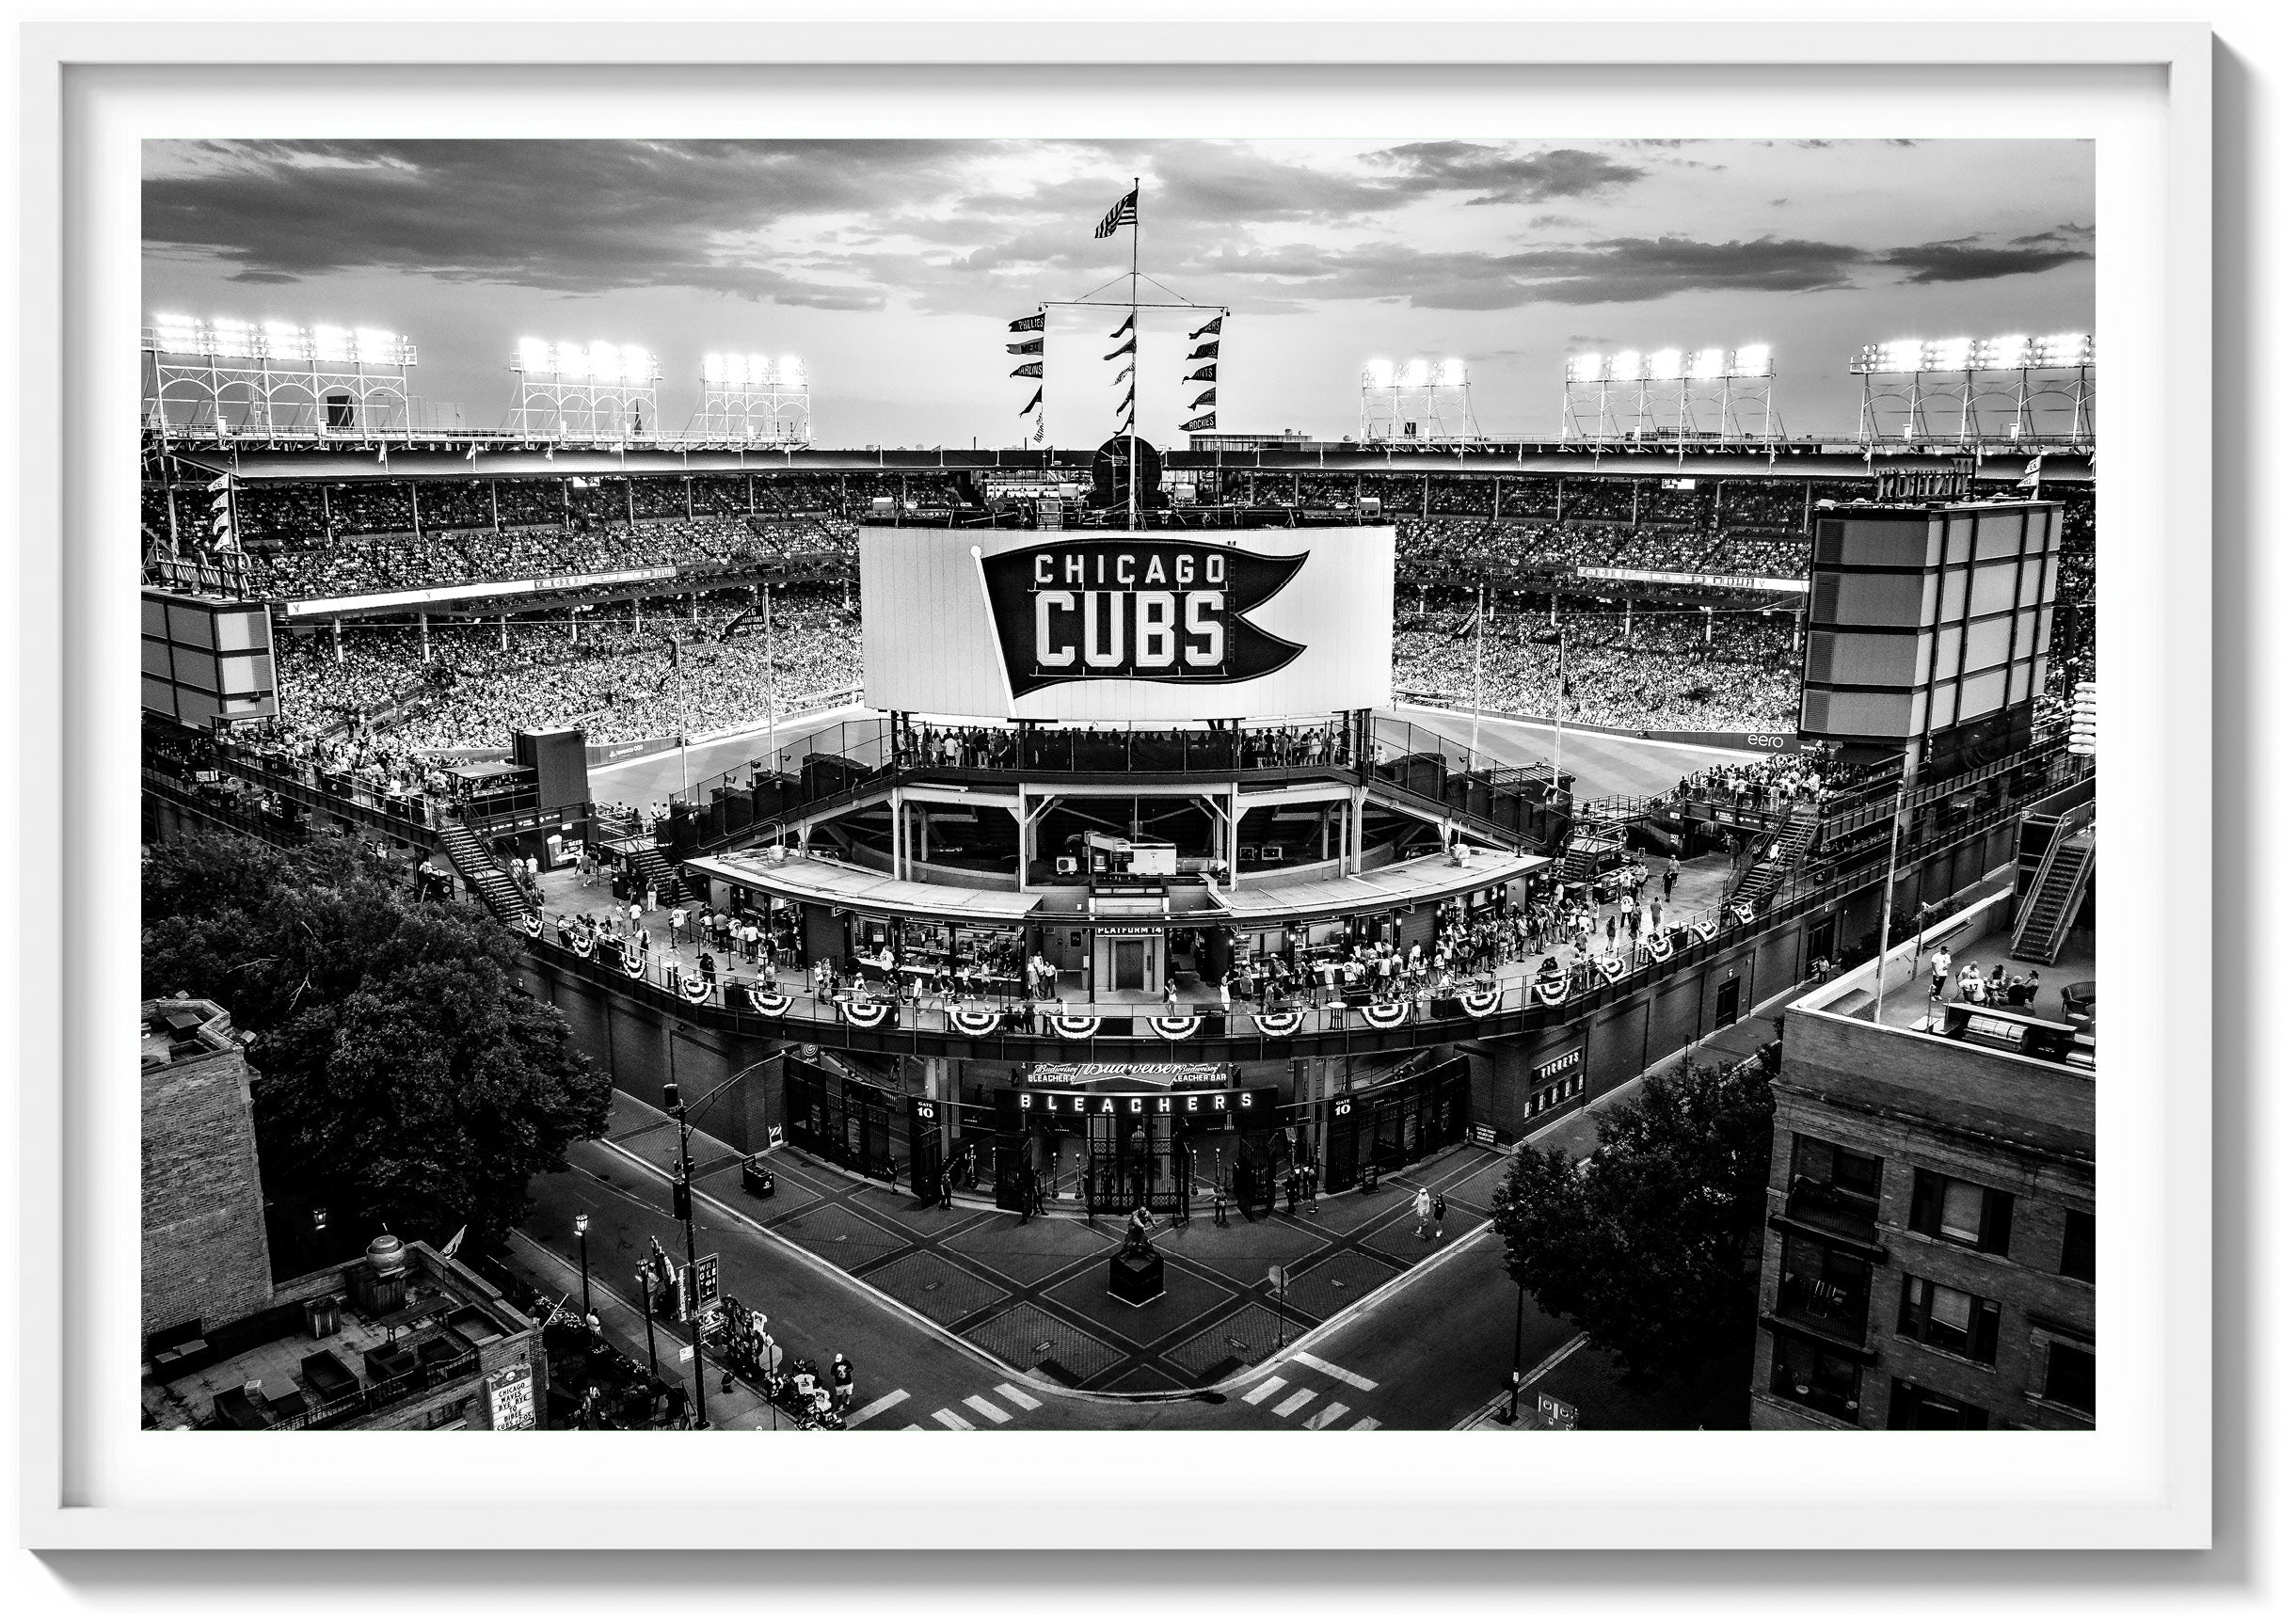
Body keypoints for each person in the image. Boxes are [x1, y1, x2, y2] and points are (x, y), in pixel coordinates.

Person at [829, 1353, 854, 1420]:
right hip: (839, 1383)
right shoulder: (835, 1365)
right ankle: (839, 1403)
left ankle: (846, 1398)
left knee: (849, 1393)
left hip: (848, 1382)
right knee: (839, 1395)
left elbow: (851, 1368)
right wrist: (838, 1373)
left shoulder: (846, 1362)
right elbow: (831, 1373)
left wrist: (846, 1371)